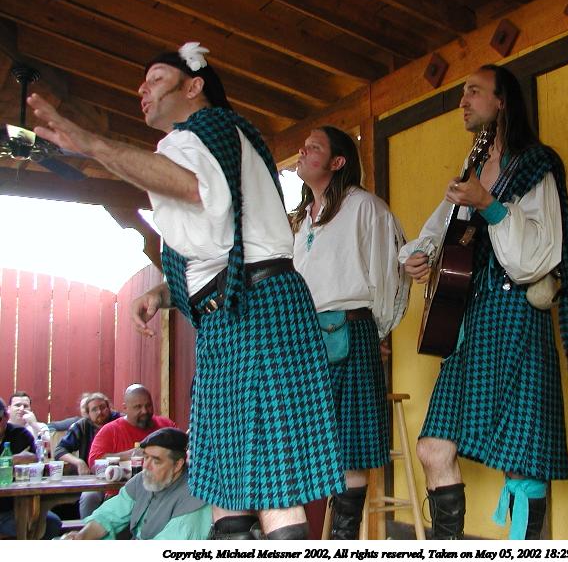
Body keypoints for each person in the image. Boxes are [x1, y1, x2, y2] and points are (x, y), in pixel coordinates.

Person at [29, 42, 344, 540]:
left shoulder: (204, 130)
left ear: (194, 86)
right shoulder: (219, 138)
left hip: (254, 312)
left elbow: (196, 190)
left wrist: (94, 145)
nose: (143, 89)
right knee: (227, 487)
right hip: (243, 309)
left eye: (156, 79)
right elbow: (222, 246)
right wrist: (165, 292)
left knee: (271, 485)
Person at [399, 64, 568, 539]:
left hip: (516, 315)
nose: (463, 101)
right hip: (471, 318)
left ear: (502, 101)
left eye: (474, 92)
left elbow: (536, 258)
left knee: (520, 460)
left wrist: (489, 204)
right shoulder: (473, 168)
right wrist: (422, 256)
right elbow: (440, 228)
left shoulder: (536, 164)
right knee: (434, 448)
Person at [290, 126, 410, 538]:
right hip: (304, 339)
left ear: (338, 161)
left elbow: (391, 272)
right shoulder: (300, 218)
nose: (302, 150)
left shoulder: (365, 207)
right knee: (304, 444)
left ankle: (343, 541)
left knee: (352, 447)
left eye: (314, 147)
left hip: (352, 329)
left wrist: (377, 331)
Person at [62, 428, 212, 540]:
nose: (146, 466)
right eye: (146, 458)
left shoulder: (194, 497)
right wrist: (82, 536)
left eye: (156, 461)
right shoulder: (142, 479)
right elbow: (108, 515)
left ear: (178, 464)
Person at [0, 397, 62, 539]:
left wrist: (32, 460)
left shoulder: (20, 434)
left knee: (52, 523)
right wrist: (12, 460)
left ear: (6, 417)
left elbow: (36, 463)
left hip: (20, 503)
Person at [55, 392, 121, 517]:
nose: (99, 412)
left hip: (120, 477)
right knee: (89, 497)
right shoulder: (82, 426)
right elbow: (59, 450)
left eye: (103, 407)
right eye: (94, 409)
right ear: (87, 413)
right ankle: (87, 527)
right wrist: (79, 462)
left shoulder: (120, 421)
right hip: (94, 479)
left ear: (109, 408)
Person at [88, 385, 175, 468]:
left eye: (148, 405)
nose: (144, 411)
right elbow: (93, 462)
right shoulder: (110, 430)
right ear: (125, 408)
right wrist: (131, 455)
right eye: (138, 407)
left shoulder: (166, 425)